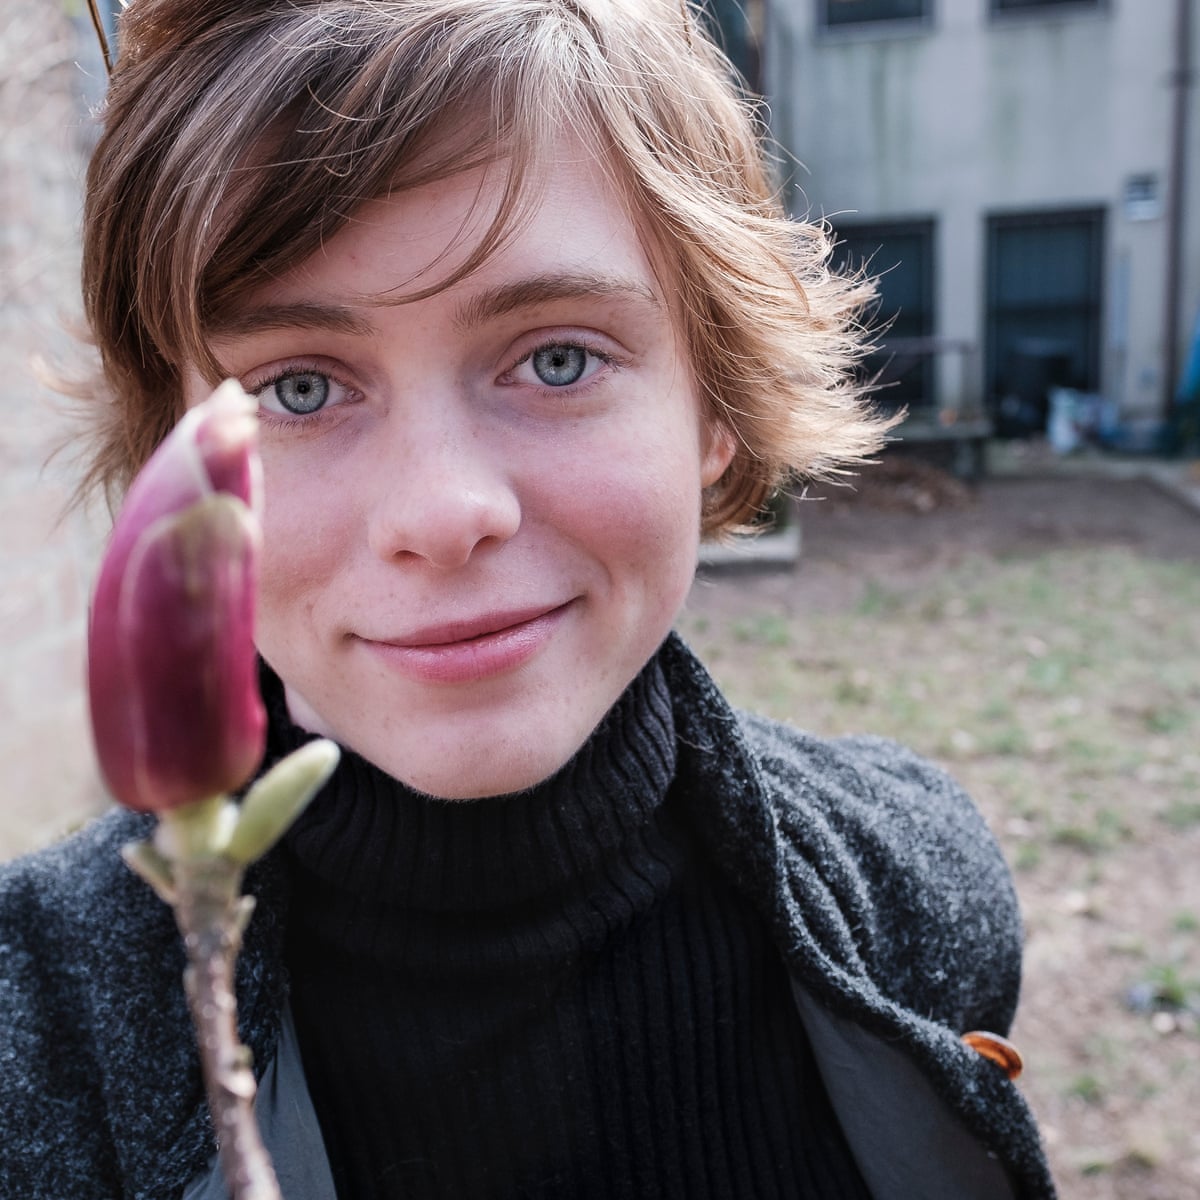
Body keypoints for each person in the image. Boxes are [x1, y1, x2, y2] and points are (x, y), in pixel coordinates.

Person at [0, 0, 1056, 1196]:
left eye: (558, 357)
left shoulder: (921, 894)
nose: (441, 513)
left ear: (711, 406)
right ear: (176, 463)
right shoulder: (32, 1038)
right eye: (298, 387)